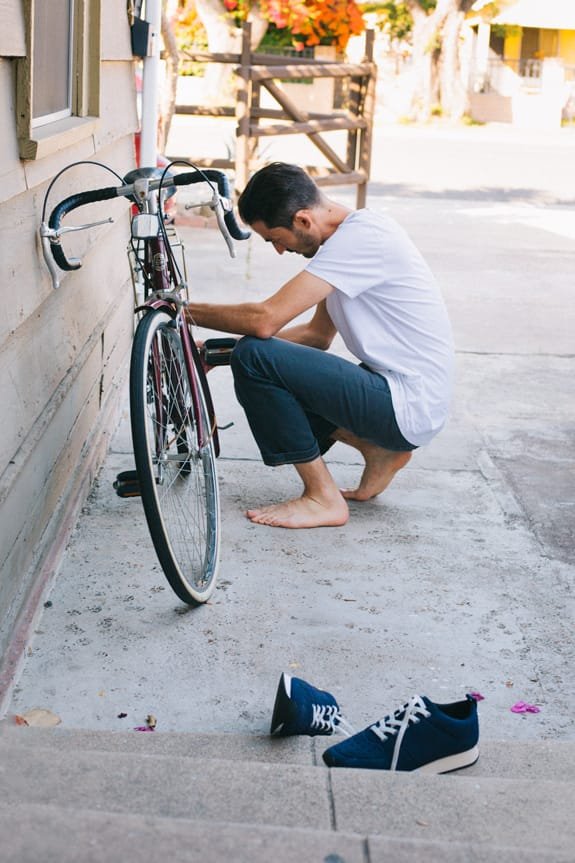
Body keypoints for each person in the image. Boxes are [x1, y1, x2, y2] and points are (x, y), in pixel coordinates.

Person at [185, 162, 453, 529]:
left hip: (406, 403)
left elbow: (265, 318)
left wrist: (181, 310)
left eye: (276, 239)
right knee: (258, 356)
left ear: (303, 221)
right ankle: (378, 450)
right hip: (405, 398)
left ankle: (321, 497)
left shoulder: (361, 240)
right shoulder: (349, 240)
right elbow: (316, 337)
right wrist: (217, 351)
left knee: (254, 357)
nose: (279, 250)